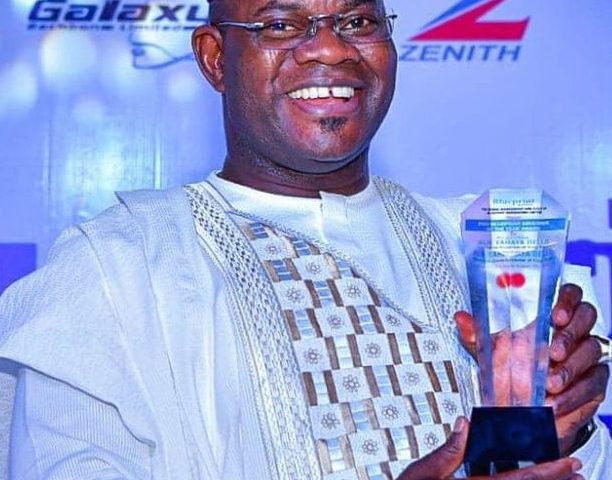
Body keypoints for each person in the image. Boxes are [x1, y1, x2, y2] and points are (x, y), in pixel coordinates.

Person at [0, 0, 610, 478]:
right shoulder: (117, 264)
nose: (330, 48)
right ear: (215, 57)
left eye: (357, 21)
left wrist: (566, 428)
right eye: (280, 24)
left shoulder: (485, 247)